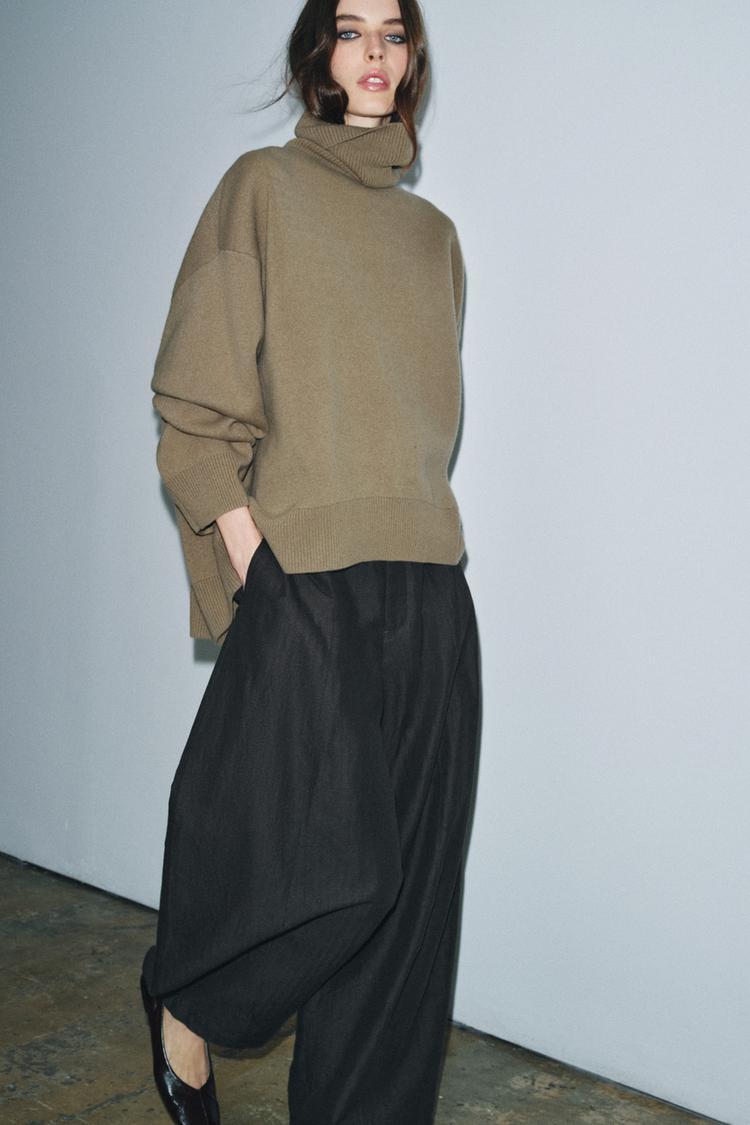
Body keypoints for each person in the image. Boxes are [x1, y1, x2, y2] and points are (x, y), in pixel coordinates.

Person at [140, 0, 480, 1122]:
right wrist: (261, 573)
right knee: (340, 876)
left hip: (432, 589)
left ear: (411, 59)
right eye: (351, 28)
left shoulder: (434, 240)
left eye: (394, 32)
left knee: (408, 920)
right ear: (317, 55)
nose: (374, 51)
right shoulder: (261, 191)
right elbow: (194, 410)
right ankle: (192, 1002)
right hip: (310, 584)